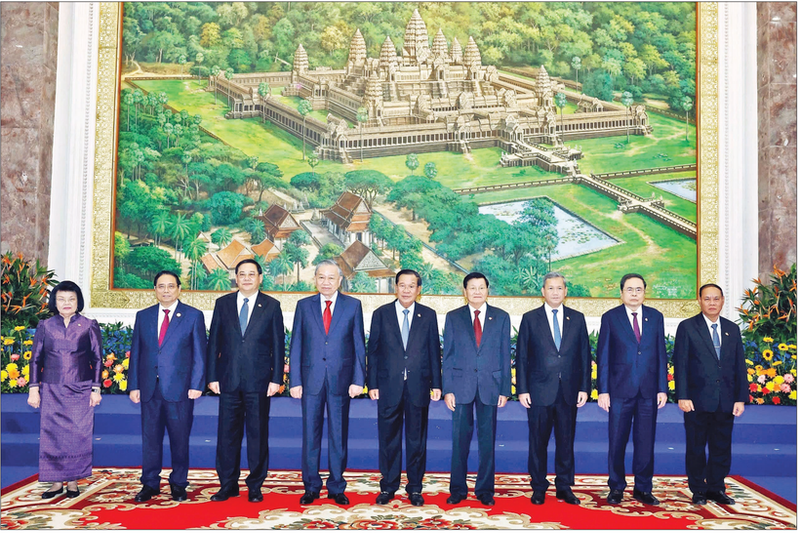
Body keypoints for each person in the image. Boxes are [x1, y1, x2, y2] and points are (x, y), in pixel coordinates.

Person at [206, 259, 285, 503]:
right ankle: (227, 484)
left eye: (252, 274)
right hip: (228, 380)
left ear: (260, 277)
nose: (247, 278)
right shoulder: (223, 304)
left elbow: (278, 345)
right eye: (242, 274)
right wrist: (212, 377)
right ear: (236, 278)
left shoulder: (271, 306)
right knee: (226, 436)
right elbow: (214, 344)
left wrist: (276, 379)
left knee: (257, 435)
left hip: (259, 382)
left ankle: (255, 485)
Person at [289, 260, 367, 506]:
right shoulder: (304, 306)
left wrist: (358, 380)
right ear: (315, 280)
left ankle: (336, 486)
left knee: (338, 435)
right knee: (310, 436)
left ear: (340, 280)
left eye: (330, 278)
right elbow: (297, 346)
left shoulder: (353, 306)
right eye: (321, 277)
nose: (325, 282)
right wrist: (295, 380)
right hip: (310, 380)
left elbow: (358, 346)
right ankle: (311, 486)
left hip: (341, 381)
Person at [128, 271, 207, 503]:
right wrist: (134, 385)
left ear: (179, 289)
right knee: (150, 439)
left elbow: (200, 355)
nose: (165, 290)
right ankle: (150, 483)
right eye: (161, 286)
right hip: (149, 389)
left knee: (179, 439)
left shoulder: (193, 316)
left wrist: (196, 384)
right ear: (154, 289)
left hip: (180, 390)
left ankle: (179, 483)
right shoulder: (143, 316)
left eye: (170, 286)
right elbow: (137, 354)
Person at [367, 269, 442, 507]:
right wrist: (373, 384)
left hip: (419, 386)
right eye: (402, 285)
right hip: (389, 385)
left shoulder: (428, 315)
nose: (407, 290)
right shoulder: (382, 314)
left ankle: (415, 488)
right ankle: (388, 486)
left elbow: (433, 352)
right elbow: (374, 351)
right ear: (396, 287)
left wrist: (437, 384)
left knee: (416, 439)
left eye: (412, 286)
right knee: (388, 438)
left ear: (418, 290)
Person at [516, 272, 591, 506]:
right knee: (537, 441)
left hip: (568, 391)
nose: (555, 292)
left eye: (560, 288)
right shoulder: (530, 319)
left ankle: (564, 486)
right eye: (551, 288)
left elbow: (584, 356)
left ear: (565, 291)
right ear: (543, 291)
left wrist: (584, 387)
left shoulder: (577, 318)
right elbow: (522, 357)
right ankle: (538, 486)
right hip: (538, 391)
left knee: (566, 441)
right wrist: (522, 389)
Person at [597, 273, 668, 506]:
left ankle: (643, 488)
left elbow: (660, 354)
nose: (634, 293)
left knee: (645, 442)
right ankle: (616, 487)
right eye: (630, 289)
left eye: (639, 289)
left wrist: (662, 388)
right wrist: (603, 390)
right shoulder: (610, 318)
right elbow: (604, 356)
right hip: (619, 390)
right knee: (616, 441)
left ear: (645, 292)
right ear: (621, 293)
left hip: (648, 391)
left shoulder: (656, 317)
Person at [27, 281, 102, 499]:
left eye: (71, 299)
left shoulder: (89, 325)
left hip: (80, 388)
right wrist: (34, 388)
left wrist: (95, 389)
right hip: (51, 387)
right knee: (53, 435)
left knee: (77, 435)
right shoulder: (46, 325)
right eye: (61, 299)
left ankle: (73, 481)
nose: (66, 303)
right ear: (55, 302)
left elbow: (97, 359)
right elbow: (35, 360)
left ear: (78, 301)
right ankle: (56, 482)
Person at [674, 283, 747, 506]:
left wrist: (740, 397)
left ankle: (716, 488)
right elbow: (681, 364)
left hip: (725, 399)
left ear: (723, 301)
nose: (712, 303)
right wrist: (682, 396)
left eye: (716, 298)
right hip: (696, 400)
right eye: (707, 299)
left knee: (721, 446)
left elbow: (739, 365)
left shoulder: (731, 329)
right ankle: (698, 489)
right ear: (700, 300)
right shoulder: (687, 327)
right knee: (696, 447)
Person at [442, 272, 511, 507]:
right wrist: (447, 389)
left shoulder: (501, 317)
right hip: (461, 386)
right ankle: (458, 489)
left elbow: (504, 355)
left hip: (490, 386)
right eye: (472, 288)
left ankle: (485, 490)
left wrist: (504, 388)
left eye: (481, 287)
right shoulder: (453, 317)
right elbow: (448, 355)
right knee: (459, 440)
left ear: (487, 290)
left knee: (487, 441)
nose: (477, 291)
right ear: (465, 291)